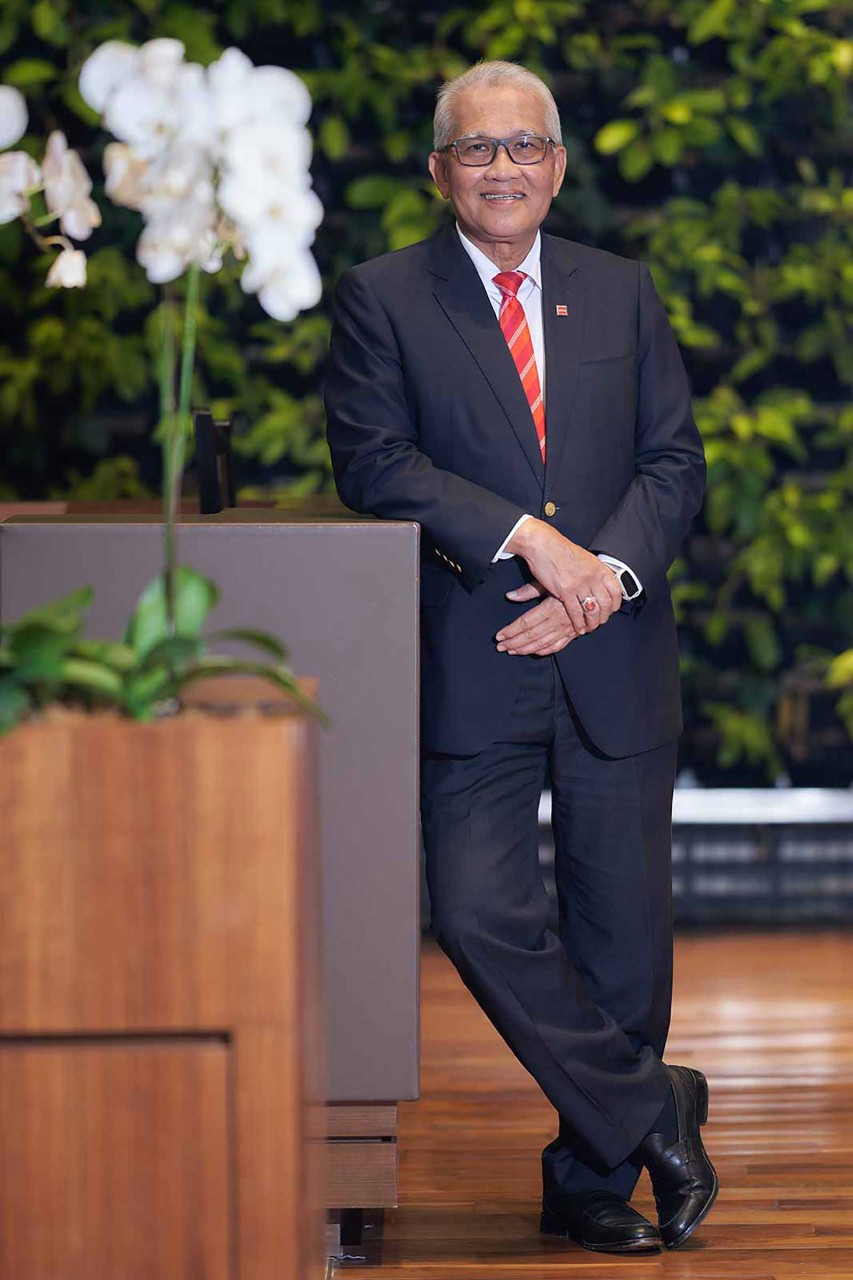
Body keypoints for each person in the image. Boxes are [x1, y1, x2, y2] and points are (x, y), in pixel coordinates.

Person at [324, 59, 715, 1255]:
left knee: (621, 948)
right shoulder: (383, 296)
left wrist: (599, 584)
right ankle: (651, 1105)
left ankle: (589, 1180)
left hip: (612, 648)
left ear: (558, 164)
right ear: (439, 169)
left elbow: (672, 464)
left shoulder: (620, 290)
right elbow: (375, 462)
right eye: (477, 148)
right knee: (478, 911)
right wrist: (530, 540)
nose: (503, 168)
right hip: (474, 649)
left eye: (525, 145)